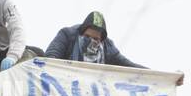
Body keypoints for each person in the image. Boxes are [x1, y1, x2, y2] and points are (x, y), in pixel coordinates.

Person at [44, 10, 183, 84]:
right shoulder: (67, 35)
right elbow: (50, 58)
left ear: (102, 40)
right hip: (64, 85)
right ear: (81, 32)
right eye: (87, 37)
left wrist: (166, 78)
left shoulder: (107, 49)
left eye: (96, 39)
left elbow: (131, 67)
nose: (92, 42)